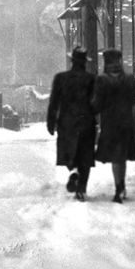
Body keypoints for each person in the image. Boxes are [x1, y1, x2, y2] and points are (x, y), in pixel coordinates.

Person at [46, 46, 96, 201]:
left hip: (67, 123)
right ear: (85, 62)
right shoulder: (91, 79)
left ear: (72, 61)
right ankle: (81, 188)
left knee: (69, 152)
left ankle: (73, 170)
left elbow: (54, 102)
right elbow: (96, 102)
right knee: (85, 156)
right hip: (86, 122)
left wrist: (51, 121)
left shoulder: (60, 78)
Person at [92, 48, 135, 203]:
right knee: (122, 156)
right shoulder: (130, 79)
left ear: (106, 62)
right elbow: (134, 100)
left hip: (111, 124)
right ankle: (122, 185)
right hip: (126, 123)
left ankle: (119, 188)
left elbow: (97, 104)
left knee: (116, 157)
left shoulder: (102, 80)